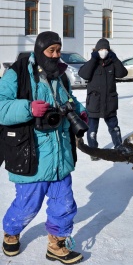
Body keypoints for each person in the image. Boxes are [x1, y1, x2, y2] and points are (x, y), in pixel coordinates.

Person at [0, 31, 88, 264]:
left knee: (65, 203)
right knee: (27, 204)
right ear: (40, 50)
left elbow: (69, 100)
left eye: (58, 50)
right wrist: (28, 108)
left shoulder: (60, 75)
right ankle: (11, 232)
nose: (56, 55)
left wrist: (80, 112)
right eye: (51, 51)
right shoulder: (16, 74)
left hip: (60, 156)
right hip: (31, 155)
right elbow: (1, 107)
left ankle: (57, 245)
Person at [78, 38, 130, 160]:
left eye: (105, 49)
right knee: (92, 130)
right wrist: (93, 58)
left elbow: (123, 73)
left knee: (114, 127)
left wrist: (115, 58)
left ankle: (118, 147)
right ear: (96, 50)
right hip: (94, 103)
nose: (103, 51)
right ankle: (93, 152)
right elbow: (83, 74)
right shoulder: (92, 63)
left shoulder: (112, 62)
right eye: (100, 49)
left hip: (109, 103)